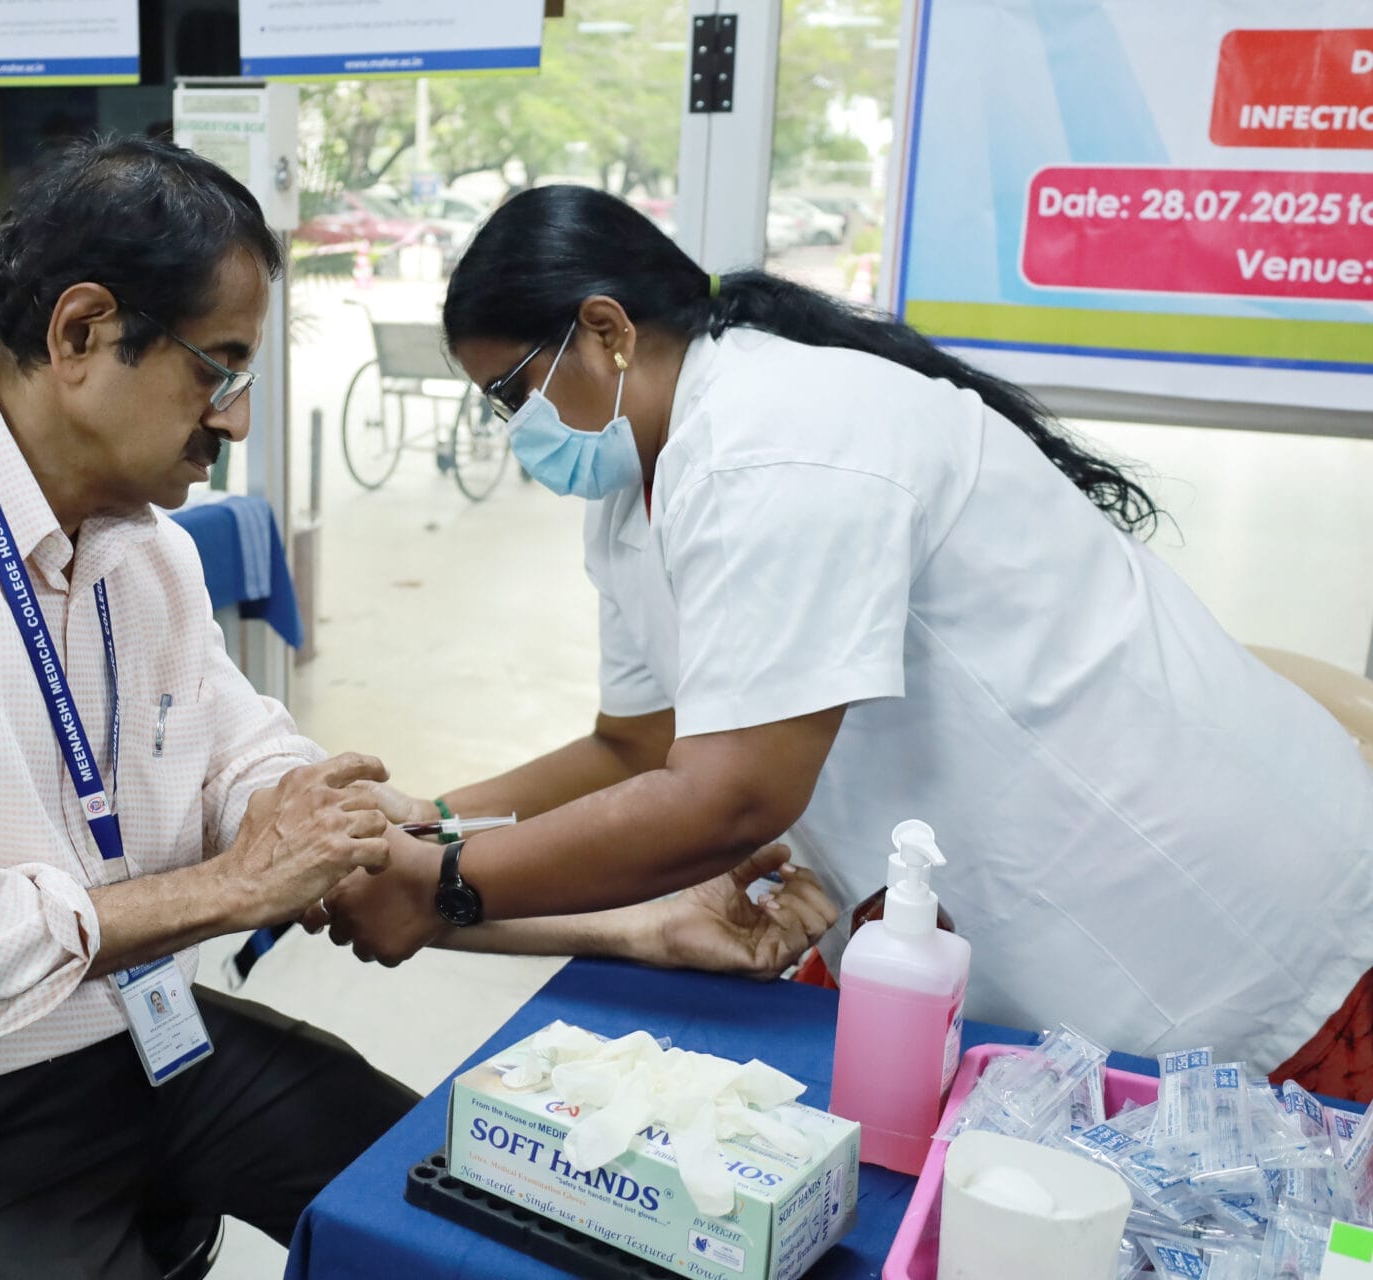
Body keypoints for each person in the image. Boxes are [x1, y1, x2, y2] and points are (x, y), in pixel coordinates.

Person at [0, 137, 829, 1279]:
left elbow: (282, 801)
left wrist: (637, 921)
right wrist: (227, 888)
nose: (235, 421)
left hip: (132, 1039)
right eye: (218, 370)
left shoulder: (143, 549)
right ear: (82, 333)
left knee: (458, 1213)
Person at [318, 184, 1373, 1099]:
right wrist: (431, 821)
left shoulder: (778, 442)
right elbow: (633, 745)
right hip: (992, 917)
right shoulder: (637, 485)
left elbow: (731, 796)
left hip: (1211, 912)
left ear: (606, 330)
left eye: (513, 393)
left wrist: (445, 885)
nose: (514, 430)